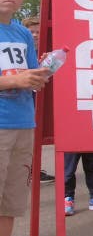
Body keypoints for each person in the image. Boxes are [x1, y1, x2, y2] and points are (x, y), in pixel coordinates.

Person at [0, 0, 47, 236]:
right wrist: (15, 80)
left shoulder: (19, 32)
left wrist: (40, 75)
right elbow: (15, 77)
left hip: (22, 124)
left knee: (9, 206)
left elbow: (29, 75)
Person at [20, 17, 56, 185]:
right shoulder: (21, 52)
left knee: (34, 136)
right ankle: (29, 170)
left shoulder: (44, 53)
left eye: (38, 32)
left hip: (36, 99)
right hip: (21, 101)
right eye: (31, 32)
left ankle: (34, 169)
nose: (35, 35)